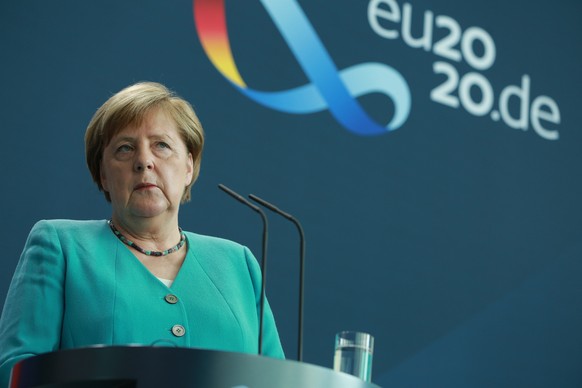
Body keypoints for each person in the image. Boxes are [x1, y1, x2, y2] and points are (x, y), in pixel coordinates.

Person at [0, 81, 285, 386]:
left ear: (188, 166)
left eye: (161, 145)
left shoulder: (238, 263)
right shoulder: (61, 246)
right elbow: (16, 372)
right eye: (125, 148)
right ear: (103, 175)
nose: (144, 161)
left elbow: (280, 381)